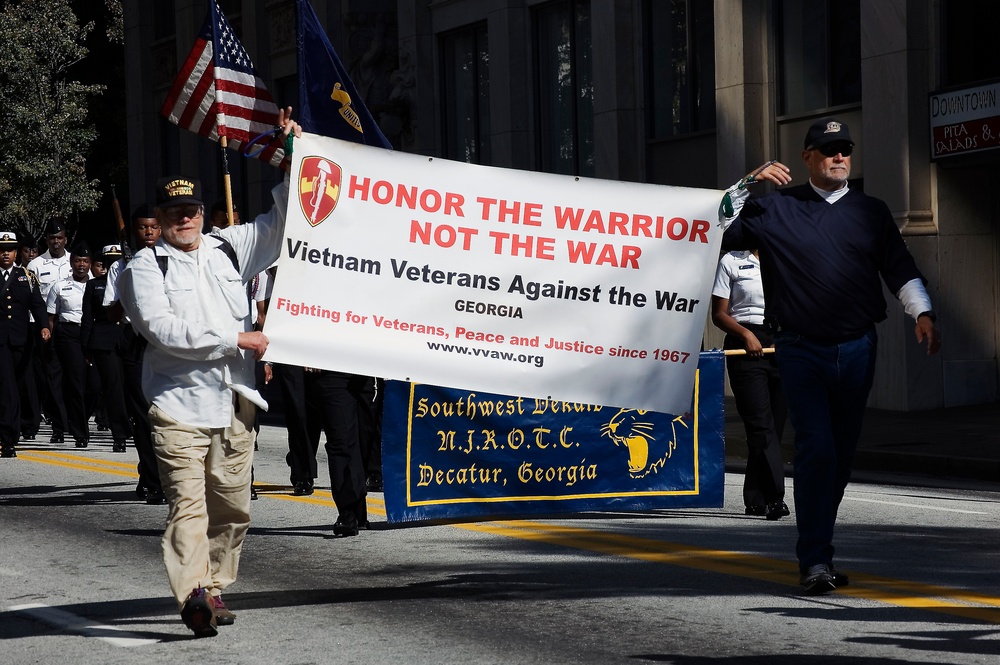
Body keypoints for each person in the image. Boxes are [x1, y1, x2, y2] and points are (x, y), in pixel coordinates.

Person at [719, 118, 942, 596]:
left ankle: (820, 547)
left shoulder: (871, 211)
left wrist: (922, 312)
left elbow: (899, 266)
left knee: (839, 459)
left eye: (844, 149)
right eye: (827, 150)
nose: (839, 157)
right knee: (817, 449)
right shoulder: (771, 209)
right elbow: (709, 226)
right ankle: (815, 560)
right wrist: (747, 184)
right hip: (799, 349)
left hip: (859, 347)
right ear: (807, 158)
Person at [117, 108, 300, 638]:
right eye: (175, 211)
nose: (186, 218)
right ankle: (192, 594)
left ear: (203, 211)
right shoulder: (143, 267)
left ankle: (214, 587)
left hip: (235, 401)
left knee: (234, 508)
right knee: (187, 506)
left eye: (193, 209)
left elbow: (283, 223)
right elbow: (163, 330)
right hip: (178, 404)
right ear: (160, 213)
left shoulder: (227, 247)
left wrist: (292, 160)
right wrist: (234, 339)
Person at [711, 249, 788, 520]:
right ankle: (775, 497)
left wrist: (786, 335)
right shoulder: (732, 261)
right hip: (745, 345)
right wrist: (746, 335)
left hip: (780, 344)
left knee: (774, 426)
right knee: (760, 424)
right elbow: (718, 314)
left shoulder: (785, 256)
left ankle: (755, 497)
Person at [105, 206, 166, 504]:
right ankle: (154, 481)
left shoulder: (172, 261)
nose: (149, 233)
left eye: (154, 227)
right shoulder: (120, 267)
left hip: (166, 341)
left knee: (169, 414)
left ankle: (157, 473)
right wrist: (127, 284)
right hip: (135, 341)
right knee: (143, 416)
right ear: (133, 231)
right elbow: (112, 312)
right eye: (143, 228)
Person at [0, 230, 50, 457]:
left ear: (16, 252)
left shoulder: (26, 276)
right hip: (1, 342)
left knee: (21, 386)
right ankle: (8, 437)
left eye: (9, 250)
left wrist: (44, 325)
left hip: (22, 340)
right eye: (1, 250)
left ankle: (18, 426)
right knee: (7, 388)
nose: (5, 254)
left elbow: (37, 304)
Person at [81, 244, 130, 452]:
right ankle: (119, 434)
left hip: (128, 338)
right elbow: (88, 318)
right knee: (113, 389)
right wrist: (86, 346)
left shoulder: (132, 278)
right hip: (104, 341)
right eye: (106, 262)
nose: (110, 266)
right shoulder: (94, 285)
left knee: (132, 388)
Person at [47, 243, 96, 448]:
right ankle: (80, 433)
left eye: (85, 261)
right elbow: (51, 316)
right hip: (69, 334)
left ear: (90, 264)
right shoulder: (60, 286)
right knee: (75, 382)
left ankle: (80, 419)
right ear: (71, 262)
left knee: (95, 386)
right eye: (77, 261)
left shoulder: (98, 284)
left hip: (93, 334)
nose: (81, 265)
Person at [27, 219, 71, 443]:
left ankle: (74, 421)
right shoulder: (36, 265)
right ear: (47, 240)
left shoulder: (76, 261)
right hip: (46, 328)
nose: (56, 242)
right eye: (52, 238)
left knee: (75, 379)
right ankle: (58, 427)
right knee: (51, 379)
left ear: (66, 238)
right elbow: (32, 299)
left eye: (60, 238)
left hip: (72, 327)